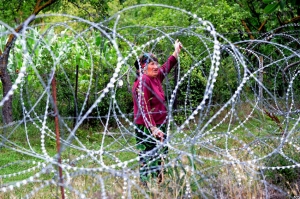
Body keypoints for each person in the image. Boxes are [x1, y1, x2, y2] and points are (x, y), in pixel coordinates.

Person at [132, 39, 182, 185]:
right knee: (149, 156)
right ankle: (147, 187)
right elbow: (143, 106)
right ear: (143, 67)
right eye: (152, 64)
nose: (156, 66)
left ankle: (159, 185)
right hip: (147, 127)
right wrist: (152, 128)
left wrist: (176, 51)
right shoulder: (143, 81)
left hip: (159, 124)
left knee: (160, 156)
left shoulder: (155, 77)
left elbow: (167, 66)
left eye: (156, 63)